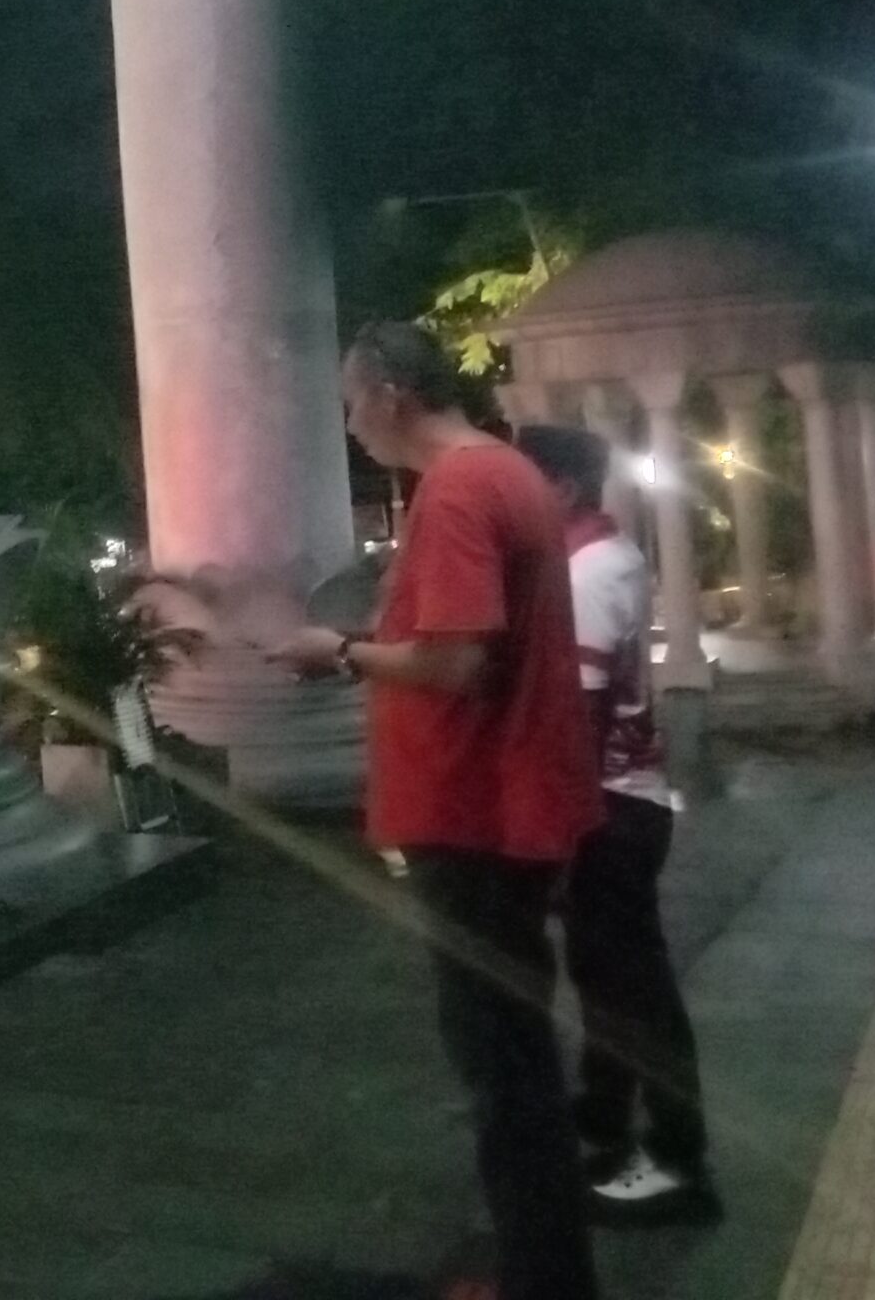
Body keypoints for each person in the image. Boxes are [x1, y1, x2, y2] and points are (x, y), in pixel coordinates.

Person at [273, 322, 604, 1300]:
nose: (348, 424)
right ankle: (543, 1269)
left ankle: (544, 1281)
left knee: (501, 1074)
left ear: (386, 393)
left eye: (348, 401)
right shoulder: (503, 471)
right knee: (518, 1057)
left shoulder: (458, 490)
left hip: (476, 816)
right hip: (511, 805)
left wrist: (335, 651)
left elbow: (458, 662)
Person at [514, 426, 718, 1227]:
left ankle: (675, 1161)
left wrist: (560, 828)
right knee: (612, 987)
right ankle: (605, 1121)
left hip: (607, 809)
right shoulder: (605, 559)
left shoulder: (590, 574)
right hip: (621, 803)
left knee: (634, 994)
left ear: (561, 489)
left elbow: (581, 716)